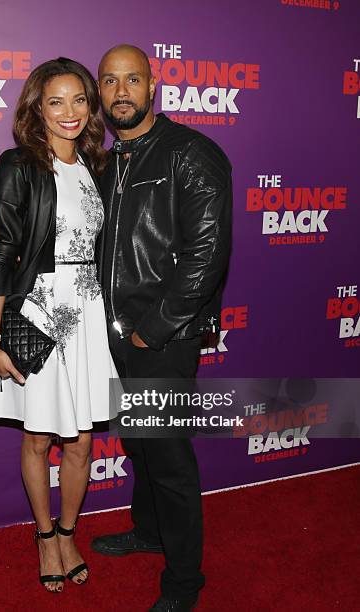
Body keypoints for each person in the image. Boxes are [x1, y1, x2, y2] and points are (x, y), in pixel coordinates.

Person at [92, 45, 232, 611]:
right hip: (113, 336)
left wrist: (155, 330)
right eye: (108, 81)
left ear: (153, 87)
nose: (120, 92)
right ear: (99, 92)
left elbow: (207, 257)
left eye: (132, 80)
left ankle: (182, 583)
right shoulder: (106, 161)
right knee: (141, 447)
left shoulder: (190, 154)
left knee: (169, 461)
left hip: (159, 339)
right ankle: (149, 532)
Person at [0, 57, 118, 593]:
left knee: (80, 440)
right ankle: (42, 536)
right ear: (37, 109)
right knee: (37, 436)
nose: (70, 112)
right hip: (37, 311)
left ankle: (68, 531)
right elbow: (1, 254)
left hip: (88, 313)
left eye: (79, 99)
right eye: (56, 102)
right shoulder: (18, 165)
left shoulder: (98, 167)